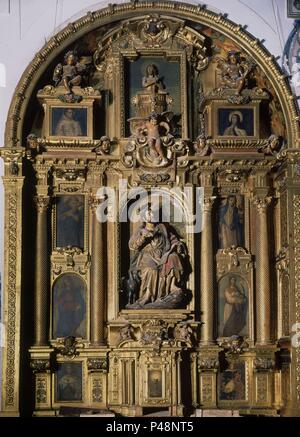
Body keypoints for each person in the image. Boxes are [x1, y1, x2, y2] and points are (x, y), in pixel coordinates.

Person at [127, 209, 186, 307]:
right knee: (152, 269)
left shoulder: (163, 229)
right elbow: (133, 246)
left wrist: (178, 245)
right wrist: (143, 238)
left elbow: (173, 240)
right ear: (144, 217)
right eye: (148, 213)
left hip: (162, 256)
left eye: (152, 213)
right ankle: (147, 296)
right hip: (147, 257)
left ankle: (172, 287)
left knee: (174, 257)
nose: (151, 215)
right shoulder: (141, 231)